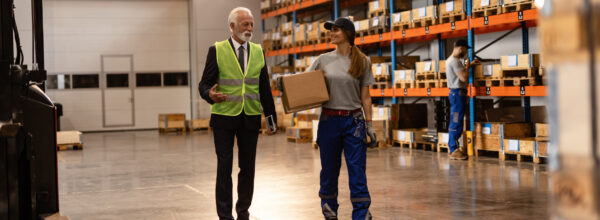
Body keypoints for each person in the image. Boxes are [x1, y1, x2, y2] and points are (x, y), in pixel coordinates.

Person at [198, 7, 277, 220]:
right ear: (232, 26)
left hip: (250, 118)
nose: (250, 28)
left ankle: (243, 212)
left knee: (248, 168)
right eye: (245, 24)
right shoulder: (217, 50)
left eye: (251, 24)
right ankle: (225, 216)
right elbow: (204, 84)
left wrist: (271, 119)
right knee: (224, 166)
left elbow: (264, 89)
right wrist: (209, 95)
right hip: (224, 117)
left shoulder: (258, 52)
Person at [306, 17, 375, 220]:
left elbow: (365, 96)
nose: (332, 33)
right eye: (331, 30)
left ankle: (361, 214)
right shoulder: (322, 60)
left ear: (347, 33)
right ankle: (329, 210)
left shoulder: (363, 61)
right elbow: (305, 84)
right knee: (328, 169)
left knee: (357, 170)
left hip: (354, 122)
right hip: (329, 121)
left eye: (336, 30)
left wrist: (370, 125)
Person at [445, 39, 479, 160]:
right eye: (465, 49)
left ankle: (453, 147)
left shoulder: (450, 60)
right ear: (460, 48)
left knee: (456, 120)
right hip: (457, 94)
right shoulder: (455, 62)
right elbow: (464, 78)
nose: (465, 52)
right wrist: (467, 66)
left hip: (456, 94)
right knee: (456, 120)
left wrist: (469, 65)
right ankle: (453, 149)